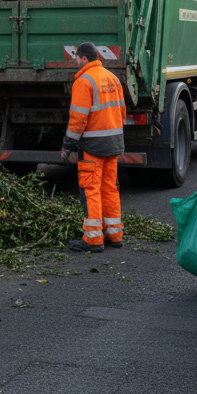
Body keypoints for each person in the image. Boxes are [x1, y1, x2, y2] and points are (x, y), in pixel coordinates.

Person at [61, 42, 127, 253]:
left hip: (93, 146)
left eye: (76, 58)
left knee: (91, 189)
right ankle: (114, 234)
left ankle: (93, 238)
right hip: (114, 143)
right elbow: (122, 113)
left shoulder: (83, 81)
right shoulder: (113, 78)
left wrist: (67, 145)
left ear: (84, 58)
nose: (75, 62)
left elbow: (78, 119)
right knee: (110, 188)